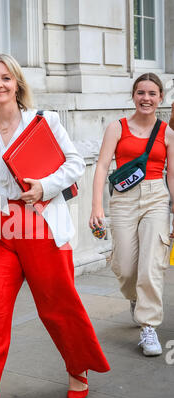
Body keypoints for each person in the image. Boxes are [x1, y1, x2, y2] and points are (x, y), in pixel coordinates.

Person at [0, 53, 110, 398]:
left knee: (58, 307)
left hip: (40, 225)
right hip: (1, 233)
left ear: (17, 83)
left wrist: (44, 186)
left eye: (6, 78)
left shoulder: (45, 121)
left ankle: (77, 366)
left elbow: (74, 164)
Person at [90, 72, 174, 357]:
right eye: (141, 93)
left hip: (156, 198)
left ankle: (148, 325)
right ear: (133, 96)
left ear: (160, 98)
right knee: (126, 268)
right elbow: (102, 167)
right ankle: (135, 298)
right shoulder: (117, 127)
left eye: (152, 93)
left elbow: (172, 177)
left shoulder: (167, 133)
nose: (146, 98)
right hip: (123, 199)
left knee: (151, 265)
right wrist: (97, 207)